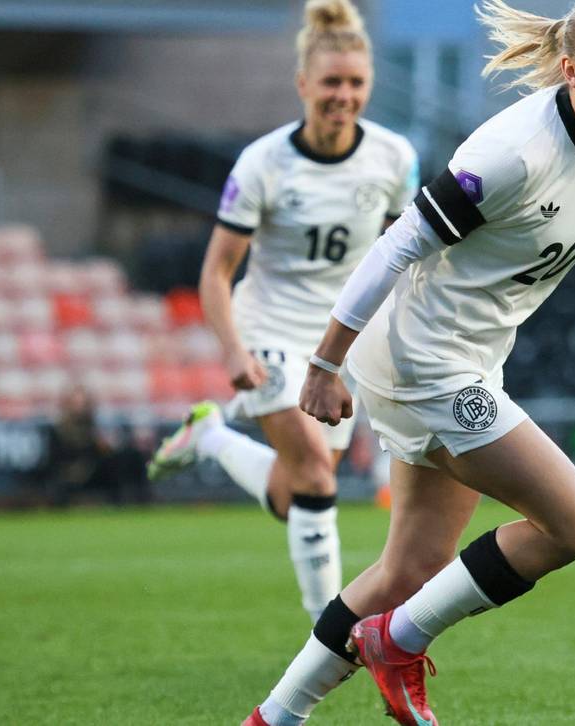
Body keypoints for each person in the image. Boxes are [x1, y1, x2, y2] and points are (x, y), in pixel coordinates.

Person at [242, 1, 575, 724]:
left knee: (410, 568)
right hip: (424, 362)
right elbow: (399, 244)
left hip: (463, 357)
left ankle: (272, 718)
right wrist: (323, 363)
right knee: (573, 524)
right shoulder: (514, 152)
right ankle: (398, 643)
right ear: (571, 68)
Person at [146, 0, 420, 623]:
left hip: (336, 341)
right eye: (331, 82)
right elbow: (215, 272)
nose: (343, 96)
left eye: (355, 83)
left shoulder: (394, 158)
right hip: (266, 330)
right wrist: (233, 350)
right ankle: (330, 630)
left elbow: (399, 255)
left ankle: (210, 437)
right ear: (303, 84)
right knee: (319, 483)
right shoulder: (264, 163)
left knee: (290, 491)